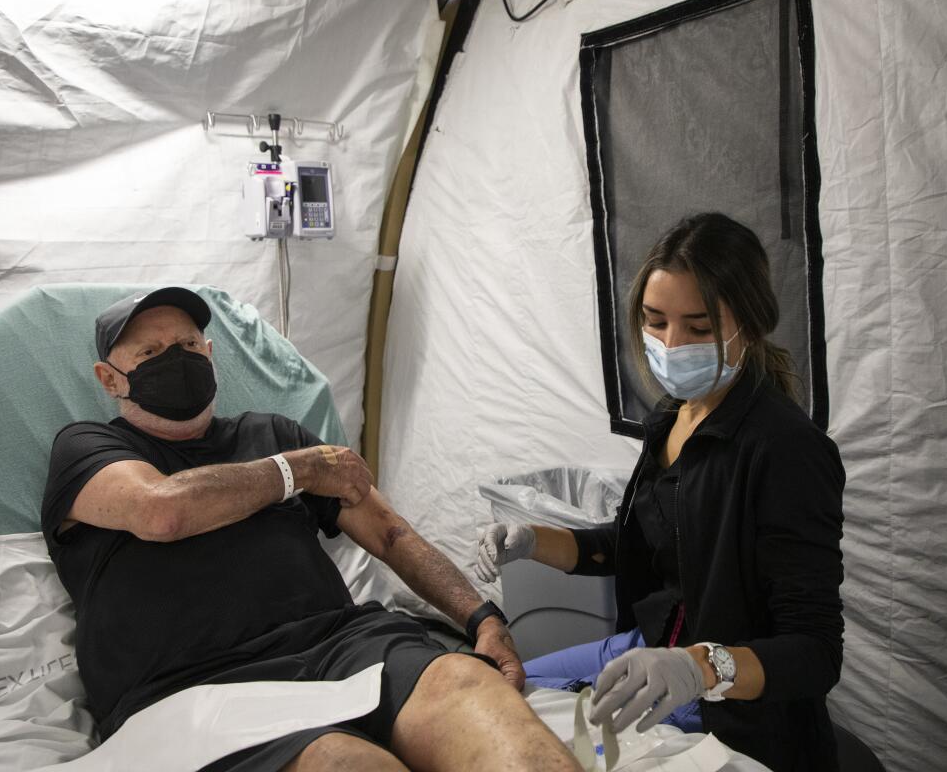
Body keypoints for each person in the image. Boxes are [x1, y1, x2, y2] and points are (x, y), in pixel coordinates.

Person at [41, 287, 582, 772]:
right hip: (194, 687)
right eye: (150, 354)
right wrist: (296, 470)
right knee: (342, 760)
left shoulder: (273, 433)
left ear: (210, 354)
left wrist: (482, 617)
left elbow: (388, 533)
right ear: (109, 378)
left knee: (469, 686)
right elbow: (161, 512)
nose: (175, 361)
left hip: (341, 645)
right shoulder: (87, 449)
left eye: (186, 346)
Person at [474, 213, 845, 771]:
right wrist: (531, 541)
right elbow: (638, 544)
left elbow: (815, 652)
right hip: (644, 650)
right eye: (656, 322)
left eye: (699, 329)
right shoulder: (675, 418)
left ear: (751, 322)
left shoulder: (784, 450)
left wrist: (698, 668)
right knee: (489, 691)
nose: (672, 345)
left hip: (728, 702)